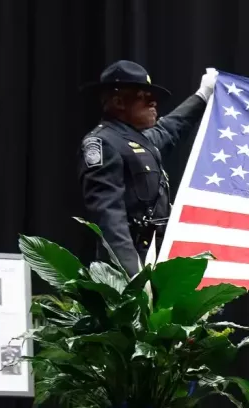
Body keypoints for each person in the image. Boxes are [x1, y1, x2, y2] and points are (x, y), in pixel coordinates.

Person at [79, 60, 218, 277]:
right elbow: (110, 220)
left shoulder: (137, 140)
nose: (154, 102)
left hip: (155, 261)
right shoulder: (104, 144)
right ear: (118, 102)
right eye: (144, 96)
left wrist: (203, 95)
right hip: (128, 271)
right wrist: (134, 277)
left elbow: (171, 127)